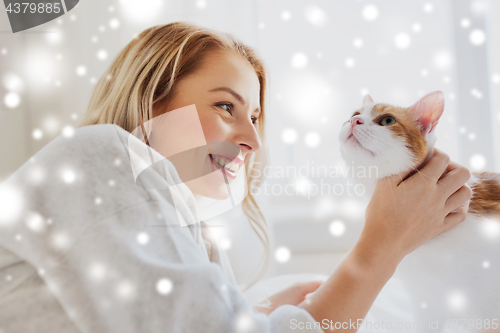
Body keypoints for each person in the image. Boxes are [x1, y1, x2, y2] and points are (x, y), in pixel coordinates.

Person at [0, 22, 471, 333]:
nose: (252, 140)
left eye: (256, 116)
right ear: (151, 100)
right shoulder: (102, 157)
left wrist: (263, 315)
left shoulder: (192, 239)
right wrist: (378, 250)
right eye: (226, 106)